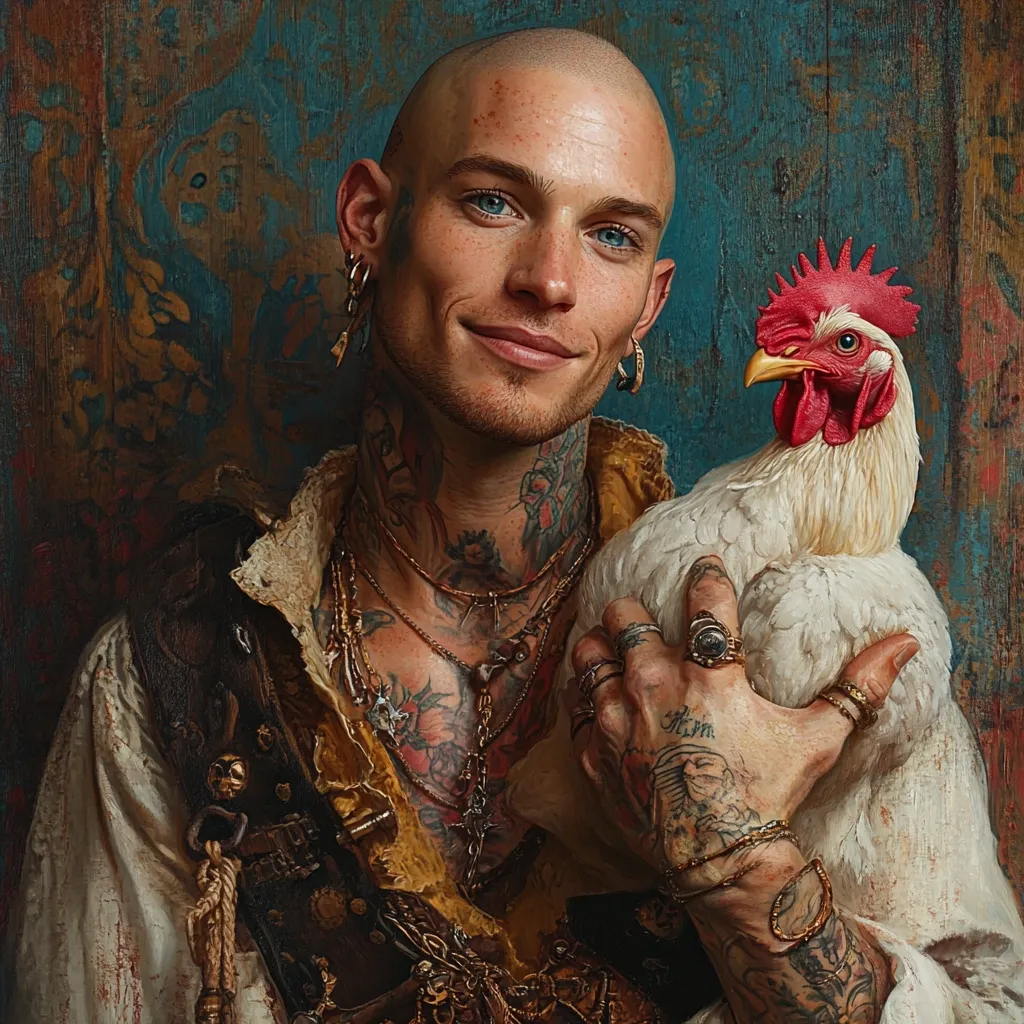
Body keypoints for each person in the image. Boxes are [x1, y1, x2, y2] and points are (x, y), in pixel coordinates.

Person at [8, 26, 1023, 1024]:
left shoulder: (829, 639)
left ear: (646, 306)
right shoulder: (177, 676)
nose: (548, 277)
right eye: (492, 201)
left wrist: (742, 865)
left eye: (611, 234)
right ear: (369, 219)